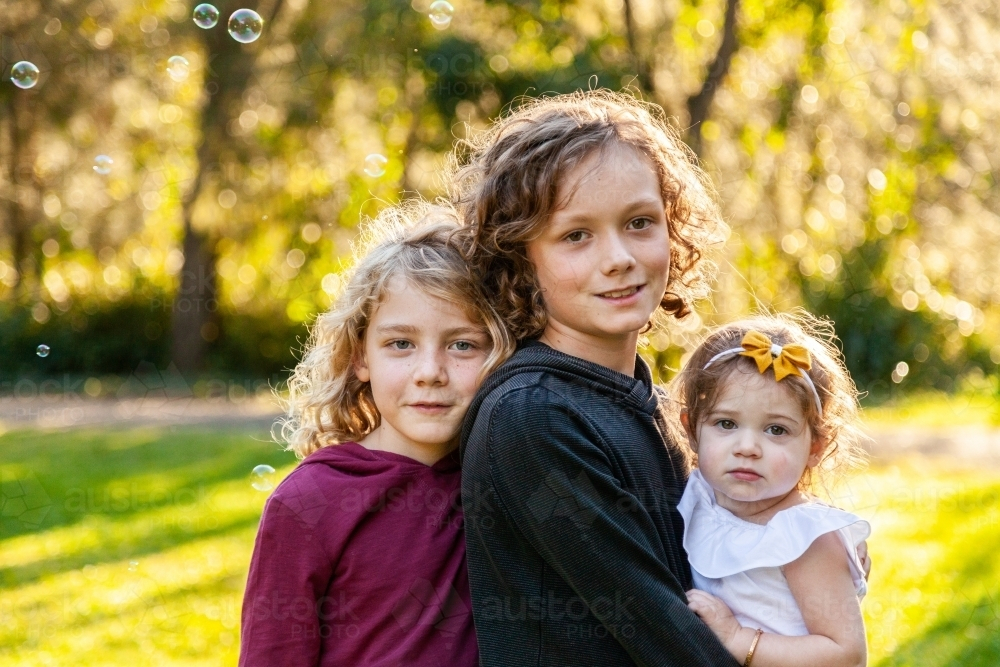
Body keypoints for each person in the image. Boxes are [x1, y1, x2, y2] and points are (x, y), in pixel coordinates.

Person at [450, 89, 740, 665]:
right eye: (576, 235)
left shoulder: (640, 396)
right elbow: (665, 634)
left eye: (639, 223)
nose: (618, 258)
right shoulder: (532, 416)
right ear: (520, 256)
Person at [238, 202, 513, 667]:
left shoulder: (506, 481)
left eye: (462, 344)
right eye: (400, 344)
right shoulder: (308, 503)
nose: (430, 372)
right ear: (359, 358)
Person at [672, 315, 870, 667]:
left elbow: (846, 654)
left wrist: (737, 639)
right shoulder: (697, 493)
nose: (747, 447)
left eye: (776, 430)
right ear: (691, 430)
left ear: (815, 448)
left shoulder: (803, 538)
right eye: (726, 424)